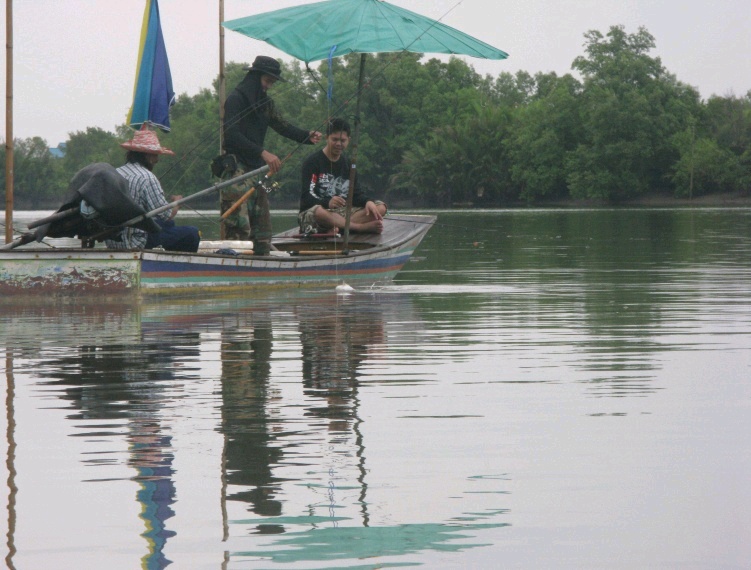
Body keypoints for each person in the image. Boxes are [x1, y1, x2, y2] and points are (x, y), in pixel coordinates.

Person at [221, 55, 322, 252]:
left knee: (263, 230)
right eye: (267, 81)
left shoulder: (265, 104)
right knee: (238, 228)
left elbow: (283, 126)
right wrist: (262, 152)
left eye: (272, 83)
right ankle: (234, 265)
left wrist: (306, 136)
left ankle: (261, 262)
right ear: (255, 77)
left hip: (256, 171)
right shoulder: (236, 99)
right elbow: (231, 135)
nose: (269, 86)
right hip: (236, 172)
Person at [105, 129, 200, 253]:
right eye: (155, 155)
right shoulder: (147, 177)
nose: (157, 160)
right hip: (136, 242)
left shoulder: (116, 172)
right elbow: (167, 215)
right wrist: (177, 202)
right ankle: (175, 269)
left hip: (114, 241)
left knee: (169, 226)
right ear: (147, 155)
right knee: (192, 233)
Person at [299, 117, 387, 235]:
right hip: (318, 212)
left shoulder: (349, 165)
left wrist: (368, 201)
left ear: (348, 140)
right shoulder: (312, 162)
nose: (338, 144)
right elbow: (307, 197)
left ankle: (336, 227)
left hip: (342, 213)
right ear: (327, 138)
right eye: (334, 139)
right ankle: (358, 227)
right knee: (319, 212)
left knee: (380, 207)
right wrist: (327, 202)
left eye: (343, 140)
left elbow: (355, 194)